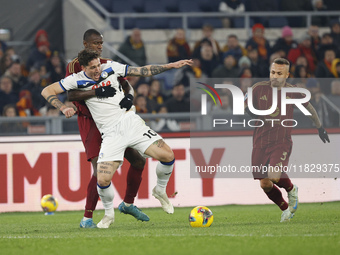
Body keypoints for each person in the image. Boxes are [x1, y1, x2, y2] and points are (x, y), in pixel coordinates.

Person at [42, 49, 193, 228]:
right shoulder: (74, 80)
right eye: (92, 68)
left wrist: (171, 66)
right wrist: (62, 107)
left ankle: (160, 189)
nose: (97, 70)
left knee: (168, 156)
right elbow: (47, 90)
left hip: (132, 124)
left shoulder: (111, 67)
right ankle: (108, 215)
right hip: (111, 134)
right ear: (83, 68)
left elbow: (142, 70)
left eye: (98, 65)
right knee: (103, 179)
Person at [65, 29, 149, 228]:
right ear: (85, 44)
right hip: (91, 122)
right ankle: (87, 218)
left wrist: (129, 97)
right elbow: (72, 94)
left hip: (113, 120)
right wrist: (97, 92)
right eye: (96, 43)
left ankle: (128, 203)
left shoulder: (107, 64)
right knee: (99, 170)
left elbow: (126, 85)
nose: (100, 47)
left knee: (138, 160)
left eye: (101, 43)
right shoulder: (74, 66)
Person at [245, 58, 330, 222]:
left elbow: (309, 109)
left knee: (274, 176)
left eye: (279, 73)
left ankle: (291, 189)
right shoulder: (258, 88)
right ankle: (285, 209)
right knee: (265, 184)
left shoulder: (293, 92)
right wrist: (247, 109)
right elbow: (244, 104)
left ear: (287, 75)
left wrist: (320, 127)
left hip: (280, 141)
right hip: (260, 142)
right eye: (272, 72)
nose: (274, 76)